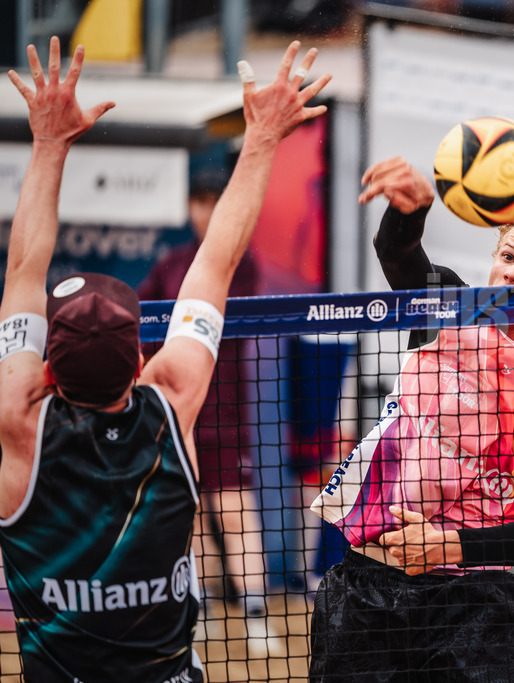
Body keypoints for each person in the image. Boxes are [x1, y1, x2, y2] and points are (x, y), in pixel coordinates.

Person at [0, 36, 330, 681]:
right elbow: (218, 261)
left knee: (231, 525)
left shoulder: (17, 424)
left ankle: (257, 611)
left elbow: (21, 269)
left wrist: (47, 144)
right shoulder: (172, 400)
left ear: (45, 369)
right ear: (139, 363)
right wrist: (261, 136)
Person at [308, 157, 514, 681]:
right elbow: (396, 252)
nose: (513, 273)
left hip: (477, 603)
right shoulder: (447, 309)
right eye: (507, 256)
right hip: (371, 586)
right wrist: (412, 212)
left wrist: (450, 545)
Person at [137, 165, 271, 633]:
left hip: (228, 415)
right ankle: (203, 609)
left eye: (216, 200)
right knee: (189, 516)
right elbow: (136, 319)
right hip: (179, 415)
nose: (206, 211)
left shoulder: (242, 263)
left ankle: (256, 613)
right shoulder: (170, 263)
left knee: (233, 514)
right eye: (199, 201)